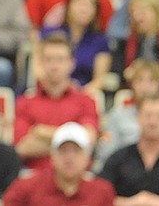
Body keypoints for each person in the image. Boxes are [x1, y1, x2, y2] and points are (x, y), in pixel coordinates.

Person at [14, 33, 99, 171]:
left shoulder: (86, 101)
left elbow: (87, 141)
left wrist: (41, 132)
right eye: (49, 59)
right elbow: (22, 148)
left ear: (72, 63)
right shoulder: (25, 102)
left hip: (77, 180)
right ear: (40, 63)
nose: (54, 66)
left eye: (60, 59)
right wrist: (72, 142)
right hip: (34, 178)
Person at [96, 60, 159, 167]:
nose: (145, 87)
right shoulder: (118, 115)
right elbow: (106, 155)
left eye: (151, 81)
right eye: (140, 81)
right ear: (132, 85)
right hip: (126, 173)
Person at [99, 94, 159, 205]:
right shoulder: (118, 158)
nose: (152, 122)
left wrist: (158, 202)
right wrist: (132, 203)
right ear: (138, 118)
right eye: (147, 115)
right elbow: (99, 194)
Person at [3, 121, 116, 206]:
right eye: (63, 150)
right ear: (52, 156)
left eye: (76, 151)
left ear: (88, 157)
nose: (69, 158)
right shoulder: (25, 188)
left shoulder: (102, 192)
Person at [40, 0, 110, 93]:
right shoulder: (49, 33)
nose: (84, 8)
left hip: (84, 94)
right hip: (49, 91)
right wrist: (58, 90)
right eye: (80, 2)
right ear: (68, 6)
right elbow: (37, 69)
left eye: (91, 4)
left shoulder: (100, 41)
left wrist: (78, 95)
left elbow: (100, 79)